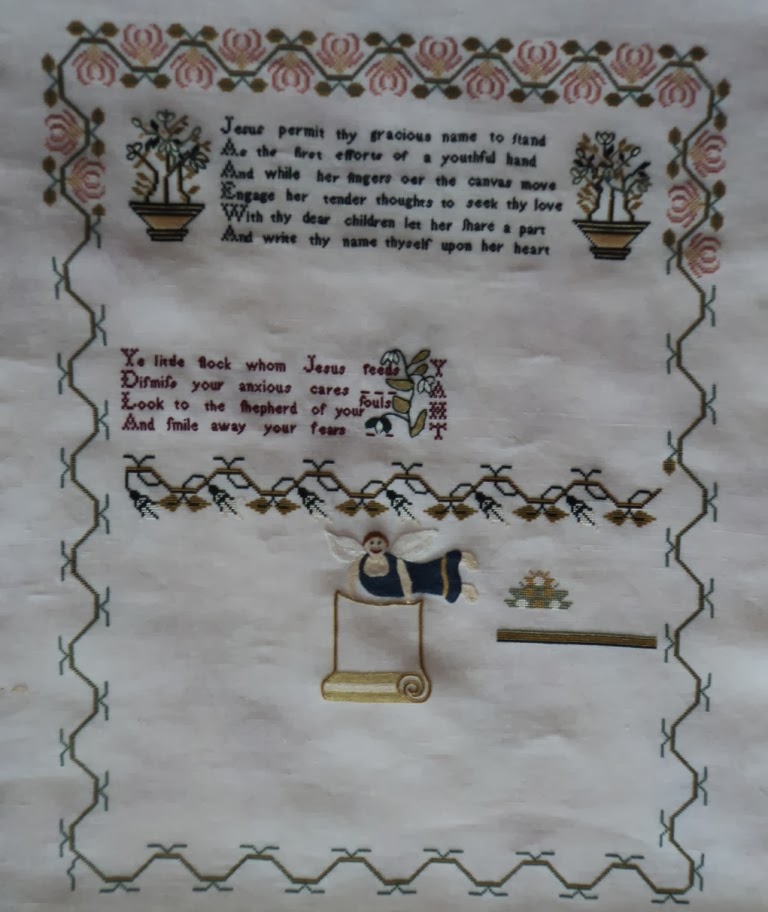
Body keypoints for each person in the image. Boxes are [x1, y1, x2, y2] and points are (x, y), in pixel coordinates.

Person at [348, 530, 478, 603]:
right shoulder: (360, 561)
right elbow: (351, 575)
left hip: (407, 579)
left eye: (379, 542)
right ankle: (460, 589)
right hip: (387, 589)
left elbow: (403, 574)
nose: (375, 546)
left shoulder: (392, 559)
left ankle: (458, 559)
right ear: (365, 545)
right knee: (427, 586)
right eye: (372, 542)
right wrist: (352, 595)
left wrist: (408, 595)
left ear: (386, 545)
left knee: (428, 571)